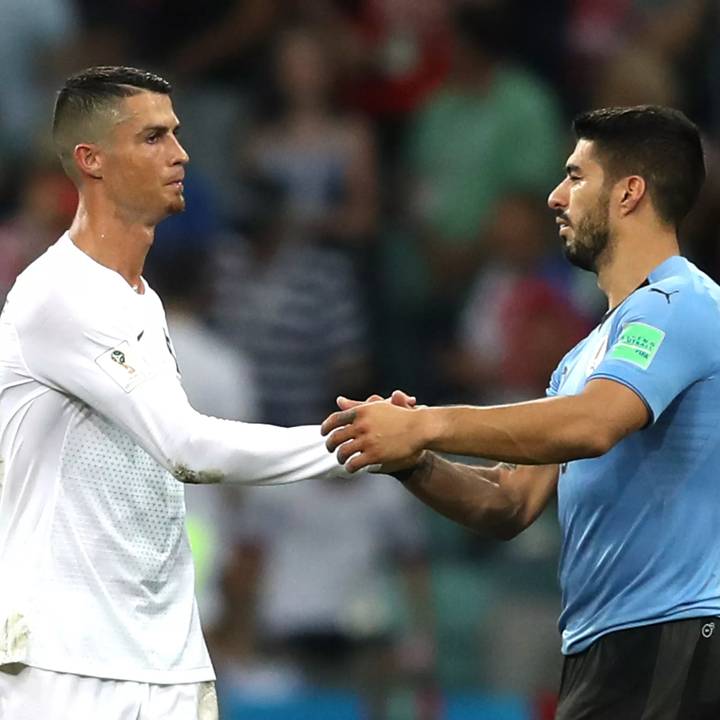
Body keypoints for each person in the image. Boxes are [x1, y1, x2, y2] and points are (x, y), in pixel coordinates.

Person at [322, 105, 720, 718]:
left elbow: (593, 425)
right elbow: (510, 503)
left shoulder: (682, 302)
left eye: (576, 176)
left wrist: (427, 421)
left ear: (630, 192)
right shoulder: (585, 356)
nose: (556, 196)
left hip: (677, 633)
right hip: (606, 647)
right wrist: (412, 461)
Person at [0, 66, 355, 720]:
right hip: (69, 663)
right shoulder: (58, 295)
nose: (182, 154)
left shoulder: (141, 299)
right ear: (92, 160)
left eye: (178, 134)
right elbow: (185, 446)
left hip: (159, 659)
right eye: (154, 137)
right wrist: (360, 444)